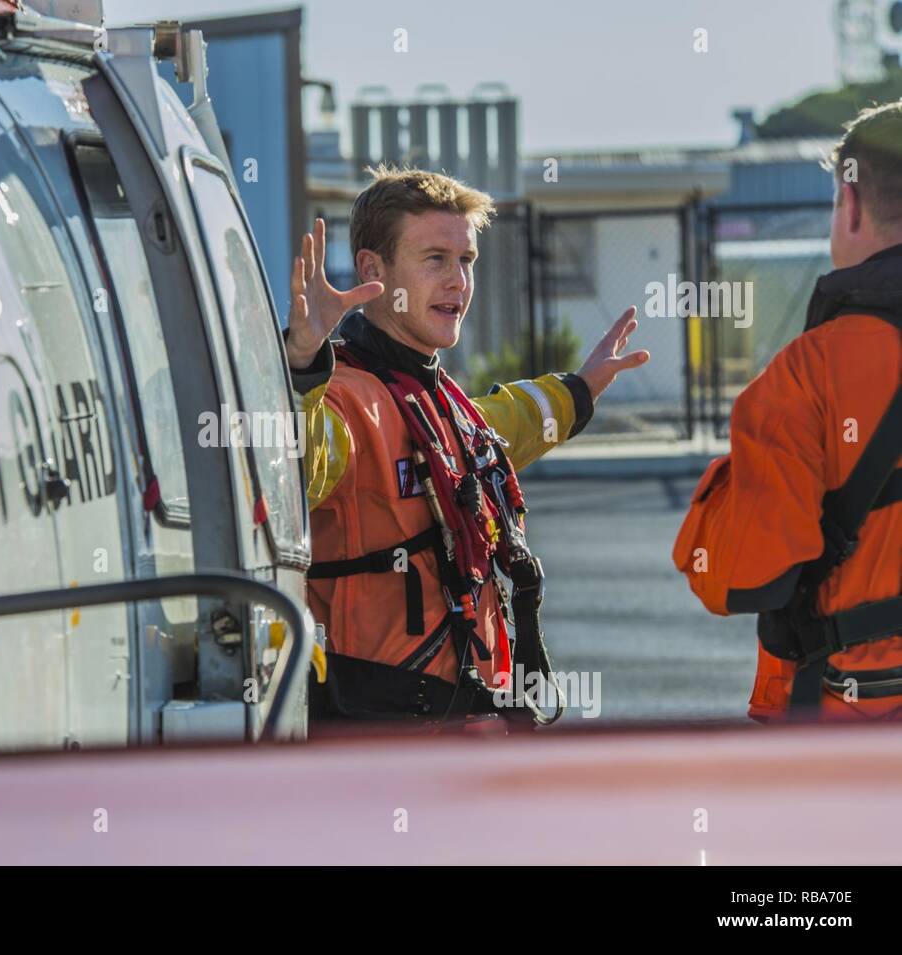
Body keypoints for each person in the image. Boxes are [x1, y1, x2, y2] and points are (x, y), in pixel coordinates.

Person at [287, 165, 649, 724]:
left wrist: (579, 390)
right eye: (434, 259)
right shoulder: (340, 400)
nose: (458, 280)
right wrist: (303, 367)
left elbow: (499, 427)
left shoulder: (433, 394)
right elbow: (295, 470)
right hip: (379, 721)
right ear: (372, 270)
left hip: (465, 709)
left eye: (466, 261)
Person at [673, 101, 902, 721]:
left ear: (850, 207)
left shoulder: (808, 373)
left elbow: (739, 576)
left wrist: (730, 480)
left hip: (853, 726)